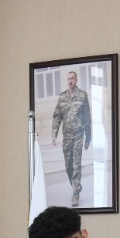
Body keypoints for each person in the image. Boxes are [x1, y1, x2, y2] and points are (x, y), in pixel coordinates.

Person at [51, 69, 92, 207]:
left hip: (78, 135)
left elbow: (87, 117)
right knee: (68, 165)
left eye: (72, 78)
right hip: (67, 137)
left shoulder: (82, 96)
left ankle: (75, 195)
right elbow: (57, 117)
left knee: (76, 165)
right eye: (68, 79)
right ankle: (76, 186)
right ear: (67, 81)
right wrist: (54, 134)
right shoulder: (62, 98)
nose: (70, 81)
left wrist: (88, 137)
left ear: (76, 80)